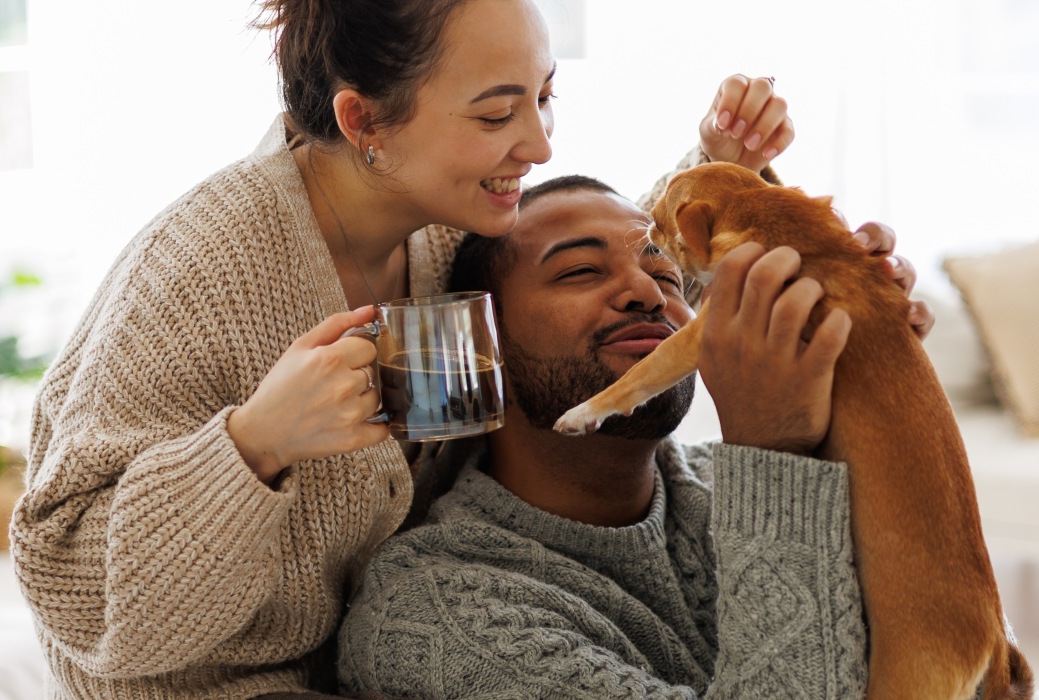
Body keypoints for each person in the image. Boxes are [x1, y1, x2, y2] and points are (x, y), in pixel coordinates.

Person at [9, 0, 810, 697]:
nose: (538, 144)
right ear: (363, 122)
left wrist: (716, 170)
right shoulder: (201, 271)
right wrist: (253, 446)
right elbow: (68, 581)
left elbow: (569, 283)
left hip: (389, 652)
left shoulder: (443, 215)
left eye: (544, 96)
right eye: (497, 115)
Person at [335, 175, 936, 698]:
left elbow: (967, 654)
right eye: (580, 271)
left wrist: (875, 391)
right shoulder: (436, 612)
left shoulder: (732, 485)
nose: (649, 294)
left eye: (666, 274)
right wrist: (772, 454)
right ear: (474, 349)